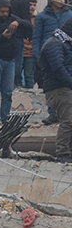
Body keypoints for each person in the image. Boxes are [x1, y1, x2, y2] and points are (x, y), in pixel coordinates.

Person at [39, 20, 72, 162]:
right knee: (68, 121)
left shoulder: (64, 43)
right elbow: (59, 69)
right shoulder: (54, 44)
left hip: (64, 87)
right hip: (59, 89)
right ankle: (62, 153)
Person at [22, 0, 38, 89]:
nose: (32, 7)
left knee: (29, 75)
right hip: (21, 50)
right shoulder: (20, 17)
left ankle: (30, 92)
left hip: (31, 51)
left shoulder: (38, 18)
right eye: (30, 5)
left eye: (34, 5)